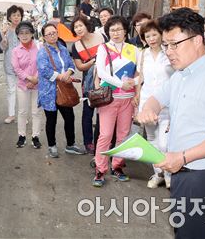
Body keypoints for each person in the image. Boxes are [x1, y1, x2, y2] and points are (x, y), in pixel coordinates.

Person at [138, 8, 205, 238]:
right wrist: (148, 108)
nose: (169, 52)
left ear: (196, 40)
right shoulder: (182, 74)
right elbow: (157, 98)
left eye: (174, 44)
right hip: (183, 174)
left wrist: (182, 157)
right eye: (165, 45)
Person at [93, 16, 139, 187]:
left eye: (119, 29)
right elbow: (102, 73)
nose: (116, 33)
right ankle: (100, 169)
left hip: (128, 100)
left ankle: (117, 166)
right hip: (109, 98)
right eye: (112, 30)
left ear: (125, 31)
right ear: (108, 32)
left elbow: (140, 73)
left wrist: (132, 84)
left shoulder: (134, 50)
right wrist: (121, 84)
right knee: (105, 135)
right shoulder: (103, 48)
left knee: (123, 135)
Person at [133, 20, 173, 189]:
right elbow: (141, 78)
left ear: (161, 34)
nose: (151, 38)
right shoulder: (143, 55)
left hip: (167, 104)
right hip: (147, 102)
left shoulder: (169, 52)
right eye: (147, 36)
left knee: (165, 143)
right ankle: (158, 174)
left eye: (154, 34)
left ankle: (169, 174)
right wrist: (136, 93)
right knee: (151, 139)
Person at [37, 23, 82, 158]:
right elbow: (44, 70)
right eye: (49, 34)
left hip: (64, 90)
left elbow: (70, 64)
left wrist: (68, 73)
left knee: (69, 117)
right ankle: (52, 146)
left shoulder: (62, 48)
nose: (52, 35)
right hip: (49, 91)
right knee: (51, 119)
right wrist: (61, 76)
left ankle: (70, 144)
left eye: (54, 32)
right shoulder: (42, 52)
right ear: (44, 37)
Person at [70, 15, 105, 155]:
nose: (78, 29)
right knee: (87, 113)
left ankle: (101, 141)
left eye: (80, 25)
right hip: (89, 82)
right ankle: (88, 142)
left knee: (104, 111)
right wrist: (93, 62)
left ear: (86, 25)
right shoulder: (76, 46)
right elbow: (80, 67)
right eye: (76, 27)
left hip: (105, 79)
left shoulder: (101, 37)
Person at [11, 21, 43, 149]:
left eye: (27, 32)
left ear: (32, 34)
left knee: (37, 112)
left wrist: (36, 79)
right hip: (23, 85)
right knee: (22, 111)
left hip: (38, 84)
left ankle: (35, 137)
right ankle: (21, 136)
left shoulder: (39, 47)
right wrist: (29, 78)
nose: (24, 35)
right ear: (17, 35)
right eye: (21, 33)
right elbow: (16, 68)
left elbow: (43, 64)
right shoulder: (15, 50)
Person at [0, 5, 24, 124]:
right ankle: (11, 114)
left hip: (23, 66)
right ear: (9, 17)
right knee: (11, 90)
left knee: (23, 91)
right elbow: (3, 47)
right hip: (9, 65)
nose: (16, 17)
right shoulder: (6, 30)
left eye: (18, 15)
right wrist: (4, 35)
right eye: (14, 15)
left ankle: (22, 116)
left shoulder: (25, 30)